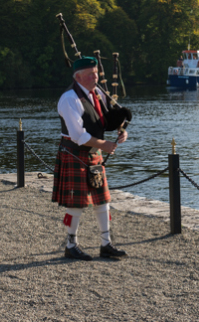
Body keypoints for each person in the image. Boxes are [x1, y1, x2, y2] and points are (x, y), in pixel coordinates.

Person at [52, 56, 129, 261]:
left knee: (102, 201)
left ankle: (106, 244)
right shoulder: (70, 99)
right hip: (75, 154)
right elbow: (78, 136)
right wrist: (105, 145)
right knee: (75, 204)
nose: (96, 78)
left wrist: (121, 130)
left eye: (96, 74)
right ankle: (71, 244)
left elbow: (104, 121)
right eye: (91, 75)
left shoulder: (98, 95)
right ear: (78, 77)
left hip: (93, 154)